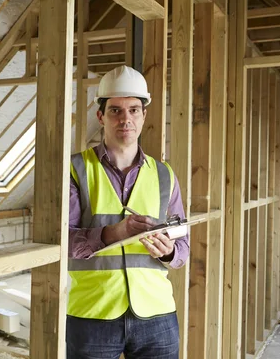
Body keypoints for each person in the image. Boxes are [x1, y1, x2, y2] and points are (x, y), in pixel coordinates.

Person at [66, 65, 189, 359]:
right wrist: (113, 233)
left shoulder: (164, 175)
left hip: (157, 314)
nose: (126, 119)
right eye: (116, 111)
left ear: (144, 115)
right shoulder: (75, 169)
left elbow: (183, 246)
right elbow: (62, 242)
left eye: (134, 110)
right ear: (101, 116)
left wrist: (169, 251)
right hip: (93, 313)